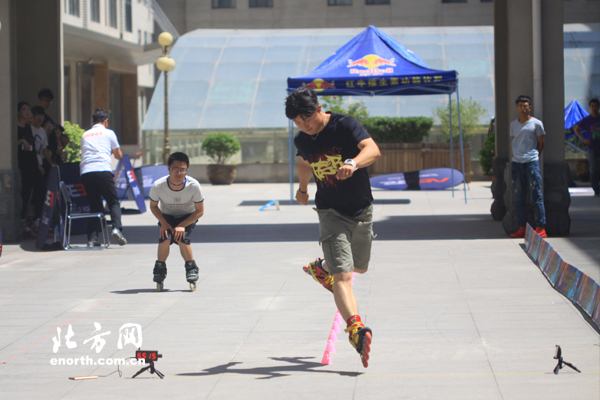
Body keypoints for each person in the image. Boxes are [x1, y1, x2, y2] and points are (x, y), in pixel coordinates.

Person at [285, 87, 381, 368]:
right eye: (297, 122)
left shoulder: (344, 124)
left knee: (359, 267)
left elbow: (373, 150)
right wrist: (303, 189)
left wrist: (353, 162)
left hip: (361, 209)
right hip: (330, 211)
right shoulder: (302, 139)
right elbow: (304, 161)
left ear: (318, 109)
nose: (304, 126)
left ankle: (321, 268)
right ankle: (356, 330)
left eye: (307, 119)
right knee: (343, 276)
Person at [149, 152, 204, 292]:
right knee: (165, 237)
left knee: (181, 237)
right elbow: (153, 206)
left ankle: (191, 268)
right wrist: (163, 222)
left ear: (187, 170)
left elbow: (199, 211)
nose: (179, 173)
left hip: (187, 216)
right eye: (175, 169)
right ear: (168, 168)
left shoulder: (194, 186)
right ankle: (160, 268)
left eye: (183, 169)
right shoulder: (158, 185)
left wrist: (181, 226)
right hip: (167, 216)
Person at [80, 108, 127, 247]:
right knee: (113, 201)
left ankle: (92, 239)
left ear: (92, 121)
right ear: (106, 121)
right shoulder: (109, 133)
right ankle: (116, 229)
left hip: (86, 172)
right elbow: (118, 155)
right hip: (102, 170)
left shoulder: (85, 135)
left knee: (95, 205)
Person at [509, 95, 547, 238]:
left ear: (530, 107)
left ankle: (541, 227)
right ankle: (522, 227)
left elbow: (541, 143)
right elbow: (515, 141)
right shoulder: (513, 125)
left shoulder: (536, 123)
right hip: (516, 163)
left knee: (536, 195)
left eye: (525, 106)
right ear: (516, 107)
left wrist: (534, 156)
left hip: (531, 162)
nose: (523, 109)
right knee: (519, 197)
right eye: (520, 106)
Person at [16, 102, 38, 226]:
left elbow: (33, 146)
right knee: (23, 191)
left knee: (31, 191)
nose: (27, 112)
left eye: (28, 109)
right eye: (24, 109)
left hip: (31, 162)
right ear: (18, 112)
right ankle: (21, 219)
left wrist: (37, 164)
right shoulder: (16, 127)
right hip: (21, 162)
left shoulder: (28, 127)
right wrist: (22, 141)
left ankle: (27, 218)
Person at [573, 98, 600, 197]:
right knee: (593, 169)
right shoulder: (587, 120)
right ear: (590, 107)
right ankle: (596, 190)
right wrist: (583, 139)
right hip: (592, 147)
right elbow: (576, 129)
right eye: (592, 106)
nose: (594, 108)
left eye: (596, 106)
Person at [30, 106, 51, 223]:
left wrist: (51, 163)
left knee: (40, 191)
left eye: (41, 115)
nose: (39, 118)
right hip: (32, 164)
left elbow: (44, 149)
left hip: (40, 165)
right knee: (35, 191)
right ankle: (32, 217)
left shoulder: (42, 131)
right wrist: (37, 164)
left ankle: (37, 217)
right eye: (37, 115)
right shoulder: (29, 129)